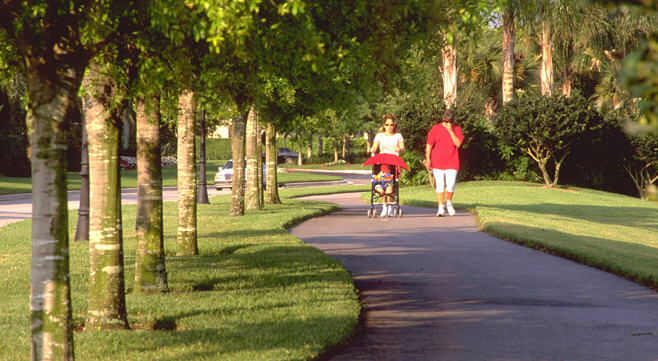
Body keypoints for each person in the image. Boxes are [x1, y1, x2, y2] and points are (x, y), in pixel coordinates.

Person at [424, 109, 463, 217]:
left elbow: (458, 144)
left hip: (452, 160)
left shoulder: (457, 129)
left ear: (453, 121)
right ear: (443, 118)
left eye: (450, 122)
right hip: (437, 161)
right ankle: (441, 207)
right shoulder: (435, 128)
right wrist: (427, 158)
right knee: (440, 185)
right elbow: (429, 144)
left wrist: (451, 131)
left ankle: (448, 202)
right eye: (446, 121)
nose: (447, 124)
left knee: (450, 185)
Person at [370, 114, 405, 217]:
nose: (389, 127)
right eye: (387, 124)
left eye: (391, 125)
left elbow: (402, 147)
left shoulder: (398, 136)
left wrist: (399, 149)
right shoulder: (379, 136)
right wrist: (372, 150)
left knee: (392, 182)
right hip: (382, 160)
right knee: (382, 179)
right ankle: (384, 206)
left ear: (394, 125)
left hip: (394, 160)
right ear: (383, 125)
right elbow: (375, 146)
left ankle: (390, 206)